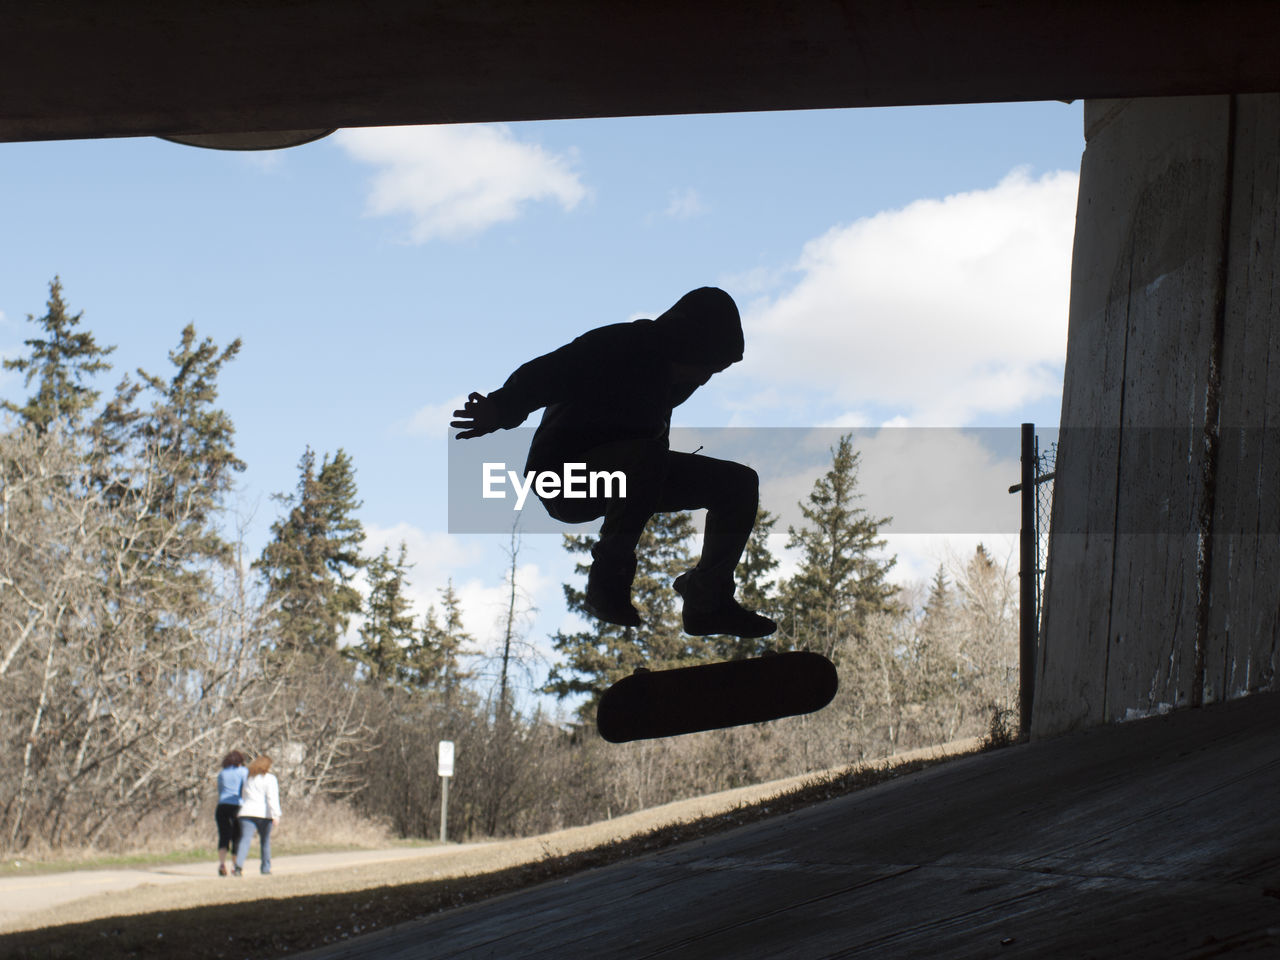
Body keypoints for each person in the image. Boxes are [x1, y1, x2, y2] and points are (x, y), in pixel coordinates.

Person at [452, 286, 775, 639]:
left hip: (630, 471)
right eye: (705, 367)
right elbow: (547, 372)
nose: (704, 379)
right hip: (562, 477)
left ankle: (707, 604)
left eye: (715, 372)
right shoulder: (622, 346)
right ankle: (606, 582)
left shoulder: (672, 378)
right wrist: (499, 408)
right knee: (647, 455)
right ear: (687, 344)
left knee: (738, 485)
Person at [233, 754, 282, 876]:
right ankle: (265, 867)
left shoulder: (248, 778)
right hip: (263, 814)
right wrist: (276, 814)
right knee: (265, 841)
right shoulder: (270, 779)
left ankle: (238, 866)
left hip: (246, 812)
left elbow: (243, 796)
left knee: (245, 839)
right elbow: (272, 798)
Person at [215, 750, 247, 876]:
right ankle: (235, 866)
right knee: (237, 837)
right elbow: (244, 789)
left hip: (222, 806)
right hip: (237, 806)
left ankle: (222, 864)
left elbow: (220, 789)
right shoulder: (243, 772)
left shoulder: (222, 773)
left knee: (223, 836)